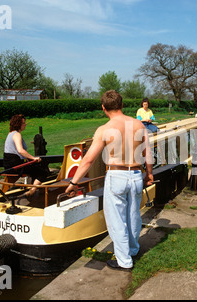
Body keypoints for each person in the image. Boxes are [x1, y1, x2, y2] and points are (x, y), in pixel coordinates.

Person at [65, 90, 154, 271]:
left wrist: (73, 183)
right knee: (133, 215)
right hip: (136, 174)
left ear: (104, 108)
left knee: (116, 220)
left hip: (117, 175)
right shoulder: (138, 125)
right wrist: (150, 174)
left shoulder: (104, 130)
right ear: (121, 105)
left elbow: (88, 160)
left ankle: (124, 261)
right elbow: (148, 153)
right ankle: (133, 249)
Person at [3, 114, 47, 197]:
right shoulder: (17, 135)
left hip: (8, 163)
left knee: (34, 168)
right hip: (15, 165)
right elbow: (20, 150)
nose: (25, 124)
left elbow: (14, 151)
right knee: (43, 172)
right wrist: (33, 158)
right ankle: (32, 191)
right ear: (18, 124)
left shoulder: (10, 134)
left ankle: (32, 188)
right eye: (24, 123)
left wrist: (27, 159)